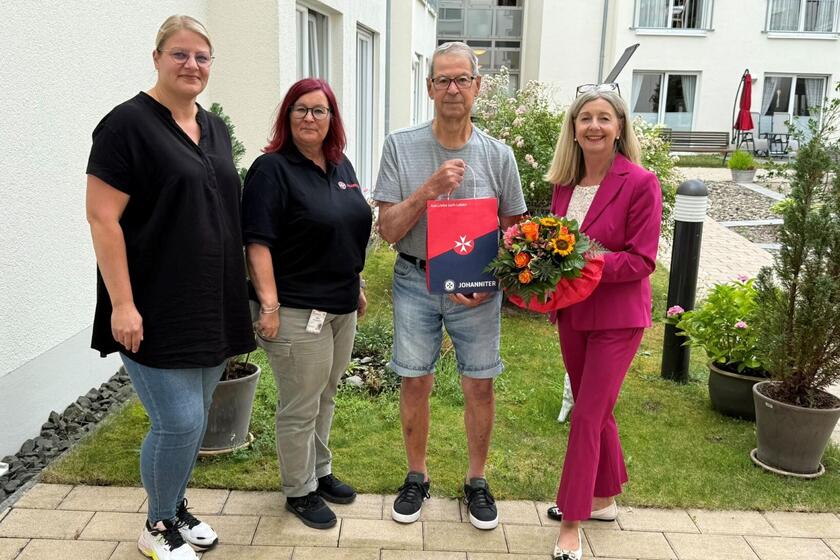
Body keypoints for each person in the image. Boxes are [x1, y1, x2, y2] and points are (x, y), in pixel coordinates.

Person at [85, 15, 255, 560]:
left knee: (197, 417)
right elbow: (102, 219)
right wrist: (123, 304)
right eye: (180, 54)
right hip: (151, 303)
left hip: (210, 301)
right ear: (157, 57)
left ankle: (176, 506)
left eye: (202, 57)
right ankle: (156, 526)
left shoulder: (215, 127)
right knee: (177, 421)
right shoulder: (125, 126)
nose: (192, 66)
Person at [373, 41, 527, 530]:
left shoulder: (498, 155)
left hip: (476, 291)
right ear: (429, 87)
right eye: (443, 80)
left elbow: (515, 233)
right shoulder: (401, 145)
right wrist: (429, 190)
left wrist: (491, 279)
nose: (453, 89)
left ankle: (477, 480)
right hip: (415, 278)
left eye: (462, 79)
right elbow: (389, 229)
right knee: (414, 379)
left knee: (479, 383)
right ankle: (416, 476)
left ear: (478, 87)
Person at [241, 78, 372, 530]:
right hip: (296, 311)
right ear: (287, 116)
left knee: (327, 394)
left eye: (319, 110)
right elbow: (256, 243)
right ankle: (299, 491)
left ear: (332, 118)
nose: (310, 118)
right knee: (300, 404)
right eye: (300, 109)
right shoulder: (271, 170)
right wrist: (270, 307)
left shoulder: (340, 166)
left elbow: (347, 230)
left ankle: (319, 472)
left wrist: (354, 284)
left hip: (340, 306)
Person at [543, 84, 662, 560]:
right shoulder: (563, 185)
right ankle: (605, 499)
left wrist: (579, 262)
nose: (594, 125)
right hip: (573, 314)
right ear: (573, 129)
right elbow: (552, 246)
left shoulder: (640, 182)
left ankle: (572, 521)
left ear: (618, 129)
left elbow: (641, 261)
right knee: (599, 412)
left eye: (603, 118)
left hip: (617, 317)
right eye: (585, 117)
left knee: (587, 415)